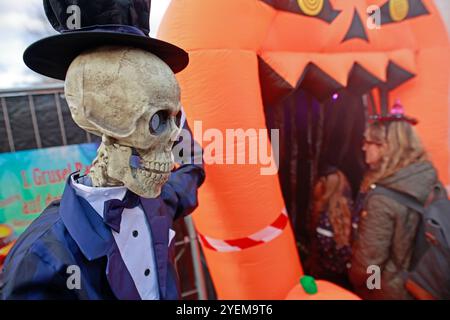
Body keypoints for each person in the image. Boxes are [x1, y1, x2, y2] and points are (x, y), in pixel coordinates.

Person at [349, 102, 446, 300]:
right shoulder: (432, 182)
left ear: (386, 147)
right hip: (427, 287)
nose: (363, 147)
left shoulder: (382, 198)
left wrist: (368, 290)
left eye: (368, 141)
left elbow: (370, 266)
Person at [307, 166, 358, 289]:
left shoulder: (324, 218)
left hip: (327, 276)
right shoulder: (351, 209)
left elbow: (323, 250)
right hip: (347, 275)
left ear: (323, 186)